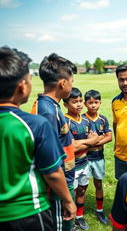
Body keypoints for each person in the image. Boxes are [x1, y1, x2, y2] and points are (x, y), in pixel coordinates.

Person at [0, 47, 76, 231]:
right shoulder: (38, 122)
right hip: (29, 211)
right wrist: (68, 200)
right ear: (22, 86)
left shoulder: (51, 109)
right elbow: (51, 171)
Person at [31, 53, 78, 231]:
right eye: (71, 81)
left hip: (62, 184)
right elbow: (49, 160)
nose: (72, 85)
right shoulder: (48, 112)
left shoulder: (50, 106)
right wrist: (66, 198)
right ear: (62, 83)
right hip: (58, 189)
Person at [63, 87, 100, 231]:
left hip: (85, 163)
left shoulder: (85, 119)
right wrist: (89, 142)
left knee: (82, 190)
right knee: (71, 194)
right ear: (66, 104)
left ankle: (79, 217)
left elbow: (95, 138)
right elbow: (71, 148)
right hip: (72, 166)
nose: (78, 104)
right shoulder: (65, 121)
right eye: (74, 102)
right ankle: (70, 222)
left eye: (80, 101)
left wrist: (85, 143)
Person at [83, 89, 112, 224]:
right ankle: (79, 215)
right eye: (90, 103)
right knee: (82, 187)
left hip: (98, 158)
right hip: (85, 159)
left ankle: (100, 211)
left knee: (98, 184)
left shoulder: (103, 119)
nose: (93, 105)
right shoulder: (82, 119)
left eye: (96, 102)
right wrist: (93, 143)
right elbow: (81, 140)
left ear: (100, 103)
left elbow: (109, 137)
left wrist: (95, 142)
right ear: (85, 104)